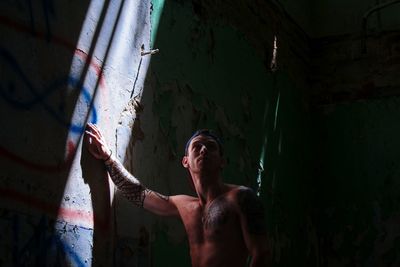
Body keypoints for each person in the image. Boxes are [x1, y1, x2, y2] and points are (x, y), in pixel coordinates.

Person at [85, 123, 271, 267]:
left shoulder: (241, 198)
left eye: (211, 147)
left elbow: (261, 254)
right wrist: (108, 157)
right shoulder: (184, 205)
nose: (204, 149)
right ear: (185, 161)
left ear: (222, 161)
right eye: (197, 146)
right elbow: (139, 194)